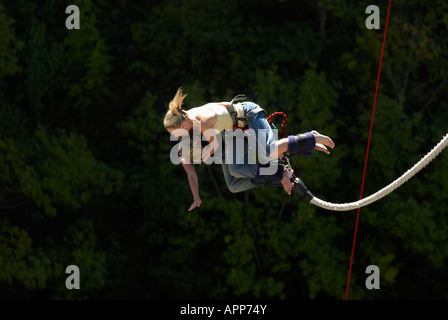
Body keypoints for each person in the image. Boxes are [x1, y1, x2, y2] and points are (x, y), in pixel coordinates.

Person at [163, 88, 335, 211]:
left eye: (179, 132)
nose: (180, 136)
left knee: (268, 151)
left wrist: (203, 153)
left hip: (248, 115)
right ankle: (280, 174)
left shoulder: (201, 120)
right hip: (235, 132)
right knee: (233, 184)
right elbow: (191, 174)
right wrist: (196, 197)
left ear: (183, 123)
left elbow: (214, 146)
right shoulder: (186, 137)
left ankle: (310, 138)